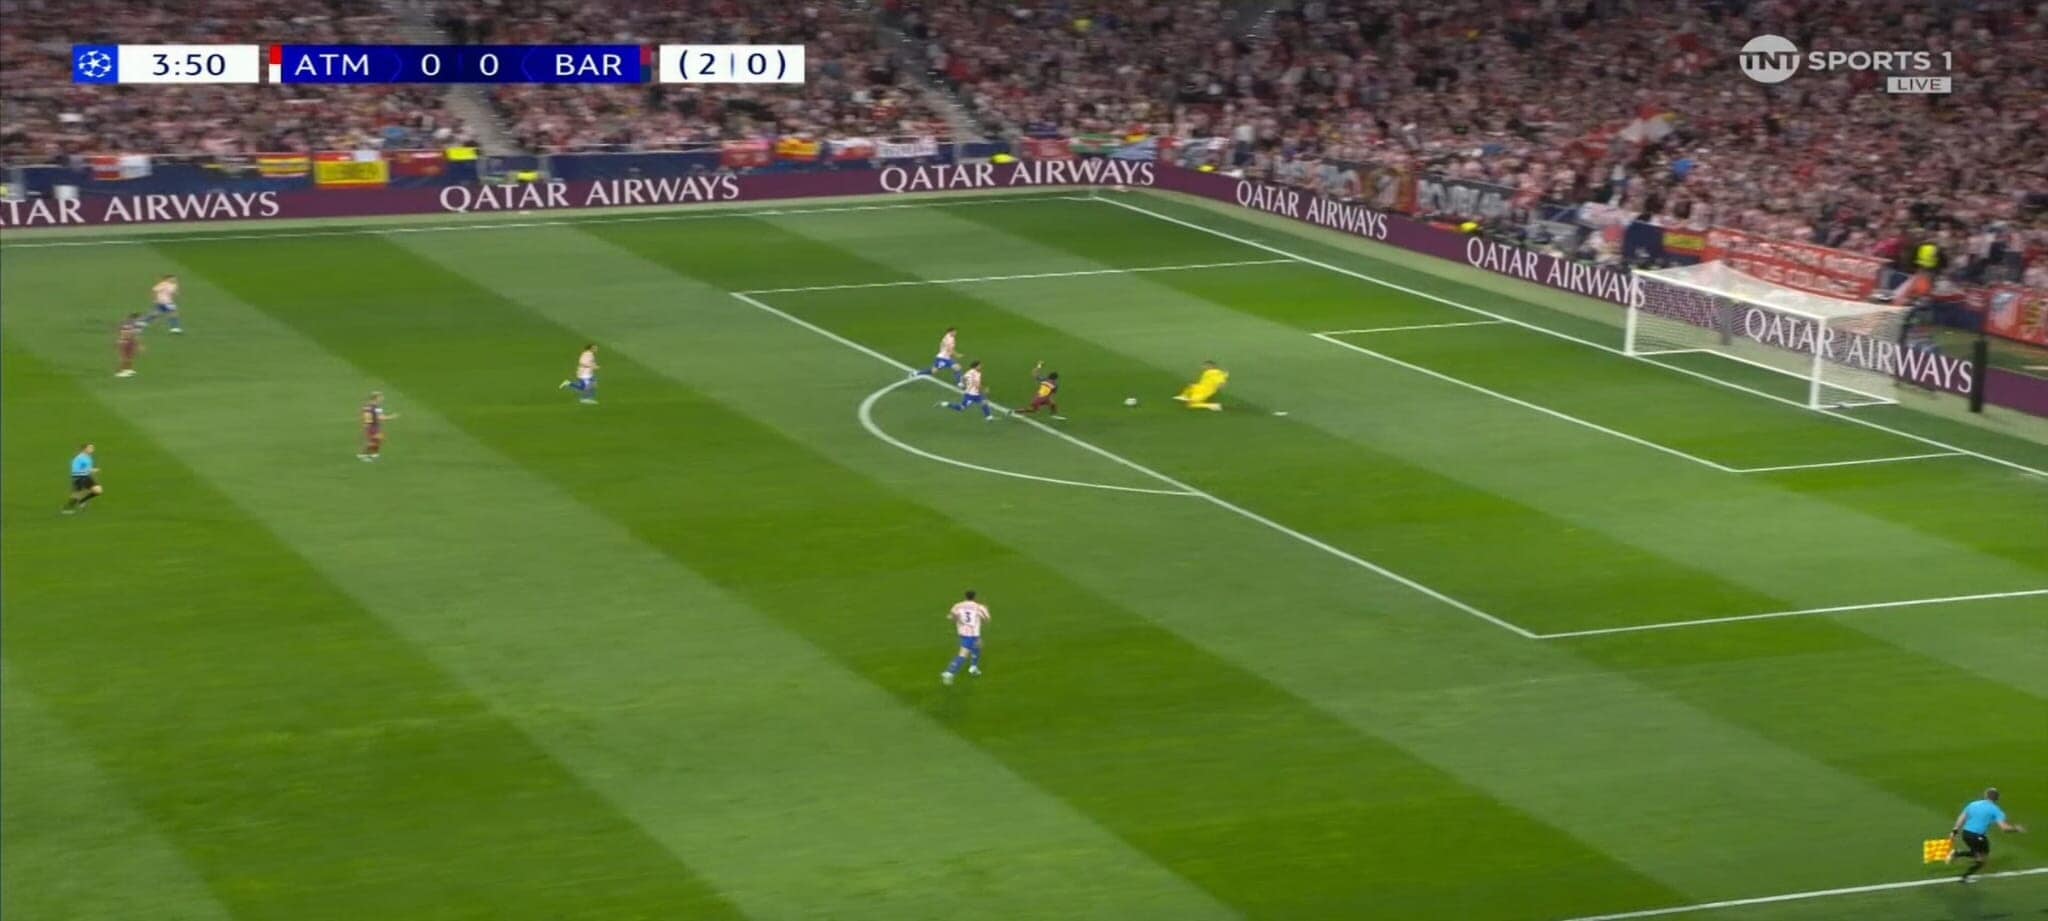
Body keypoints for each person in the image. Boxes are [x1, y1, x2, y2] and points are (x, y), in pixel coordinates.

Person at [1950, 787, 2026, 883]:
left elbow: (1962, 817)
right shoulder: (1996, 810)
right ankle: (1964, 876)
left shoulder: (1973, 804)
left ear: (1985, 795)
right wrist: (2016, 829)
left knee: (1977, 853)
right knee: (1982, 859)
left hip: (1966, 833)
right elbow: (2005, 828)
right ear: (1997, 799)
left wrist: (1955, 830)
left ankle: (1958, 855)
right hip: (1977, 836)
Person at [940, 590, 990, 685]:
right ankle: (949, 672)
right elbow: (986, 619)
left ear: (965, 597)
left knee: (978, 645)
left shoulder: (958, 606)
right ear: (975, 597)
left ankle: (973, 667)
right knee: (963, 655)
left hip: (963, 633)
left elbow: (952, 617)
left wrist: (957, 620)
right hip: (972, 634)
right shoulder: (980, 607)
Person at [63, 443, 103, 514]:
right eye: (90, 448)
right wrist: (91, 470)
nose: (92, 449)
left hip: (87, 476)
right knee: (77, 494)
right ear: (85, 449)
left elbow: (87, 468)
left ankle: (82, 501)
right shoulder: (79, 458)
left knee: (98, 490)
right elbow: (75, 470)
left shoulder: (88, 457)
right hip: (79, 477)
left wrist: (91, 471)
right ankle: (67, 509)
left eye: (92, 448)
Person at [358, 392, 397, 462]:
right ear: (376, 398)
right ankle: (363, 455)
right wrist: (391, 417)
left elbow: (366, 415)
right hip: (373, 426)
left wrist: (366, 423)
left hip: (371, 425)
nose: (382, 398)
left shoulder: (368, 406)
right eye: (381, 397)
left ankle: (374, 453)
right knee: (374, 440)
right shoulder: (376, 407)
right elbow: (381, 417)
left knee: (378, 439)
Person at [115, 313, 143, 378]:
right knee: (124, 357)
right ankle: (121, 372)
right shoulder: (126, 325)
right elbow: (126, 334)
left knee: (130, 357)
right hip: (124, 342)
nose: (138, 321)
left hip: (130, 342)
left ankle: (128, 370)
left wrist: (137, 344)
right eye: (137, 319)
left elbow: (134, 335)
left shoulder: (133, 326)